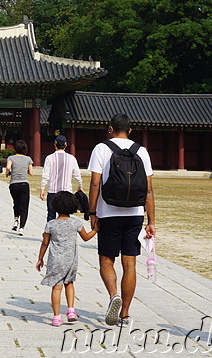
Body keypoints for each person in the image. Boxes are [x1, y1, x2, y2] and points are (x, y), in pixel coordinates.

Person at [87, 113, 155, 327]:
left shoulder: (101, 148)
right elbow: (149, 190)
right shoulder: (142, 151)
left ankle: (113, 295)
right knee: (130, 263)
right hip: (135, 213)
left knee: (106, 260)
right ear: (131, 130)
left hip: (109, 212)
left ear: (110, 129)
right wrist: (151, 220)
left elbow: (95, 184)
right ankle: (125, 314)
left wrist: (92, 212)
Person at [35, 191, 98, 326]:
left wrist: (40, 258)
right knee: (69, 283)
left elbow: (45, 243)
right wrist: (96, 230)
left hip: (55, 260)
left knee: (56, 288)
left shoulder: (51, 224)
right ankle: (70, 311)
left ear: (55, 206)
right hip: (71, 260)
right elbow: (86, 237)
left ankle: (57, 317)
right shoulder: (76, 222)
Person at [41, 135, 84, 221]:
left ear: (55, 144)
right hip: (66, 191)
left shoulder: (49, 158)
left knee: (51, 214)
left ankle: (50, 233)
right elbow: (77, 175)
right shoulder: (71, 158)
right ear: (66, 145)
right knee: (65, 214)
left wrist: (42, 188)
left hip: (52, 190)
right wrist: (80, 185)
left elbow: (46, 175)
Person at [5, 140, 33, 236]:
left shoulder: (11, 158)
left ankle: (16, 219)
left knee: (16, 203)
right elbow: (31, 172)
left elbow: (8, 167)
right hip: (24, 184)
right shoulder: (28, 159)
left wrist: (7, 173)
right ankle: (21, 228)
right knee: (24, 207)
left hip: (14, 184)